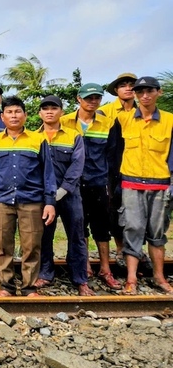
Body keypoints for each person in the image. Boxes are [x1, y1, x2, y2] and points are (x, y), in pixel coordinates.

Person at [0, 96, 56, 297]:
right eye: (9, 112)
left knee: (31, 245)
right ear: (2, 117)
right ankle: (7, 286)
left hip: (31, 201)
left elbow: (48, 173)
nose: (14, 116)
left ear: (25, 116)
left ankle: (29, 286)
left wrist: (50, 203)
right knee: (3, 245)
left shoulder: (38, 140)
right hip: (2, 201)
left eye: (17, 112)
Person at [60, 83, 123, 290]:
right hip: (74, 184)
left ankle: (105, 268)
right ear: (79, 98)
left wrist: (111, 183)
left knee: (102, 227)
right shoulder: (64, 121)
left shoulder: (109, 123)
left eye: (96, 98)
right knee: (79, 226)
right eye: (89, 98)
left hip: (98, 181)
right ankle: (85, 265)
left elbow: (113, 155)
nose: (92, 101)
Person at [115, 76, 173, 295]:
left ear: (159, 92)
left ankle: (159, 277)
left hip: (160, 184)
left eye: (149, 91)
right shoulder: (124, 119)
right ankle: (131, 280)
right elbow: (115, 151)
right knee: (133, 229)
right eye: (140, 92)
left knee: (157, 234)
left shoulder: (170, 120)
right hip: (131, 183)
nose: (145, 96)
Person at [33, 96, 91, 296]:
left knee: (76, 235)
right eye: (45, 108)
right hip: (43, 196)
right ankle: (45, 274)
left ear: (61, 111)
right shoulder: (33, 137)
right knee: (44, 236)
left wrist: (62, 190)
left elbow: (77, 166)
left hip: (70, 194)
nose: (49, 112)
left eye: (54, 108)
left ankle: (80, 279)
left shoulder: (74, 136)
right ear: (39, 113)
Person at [99, 72, 136, 267]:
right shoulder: (105, 112)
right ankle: (120, 248)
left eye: (132, 84)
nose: (128, 88)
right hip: (111, 166)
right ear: (116, 90)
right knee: (113, 208)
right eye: (123, 85)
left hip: (138, 167)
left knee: (136, 213)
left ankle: (136, 252)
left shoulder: (143, 111)